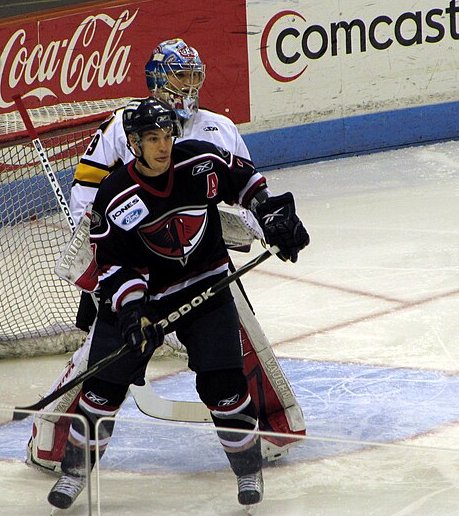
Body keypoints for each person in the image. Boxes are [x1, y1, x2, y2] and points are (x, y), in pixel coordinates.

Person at [28, 38, 306, 473]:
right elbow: (87, 196)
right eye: (181, 74)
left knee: (240, 333)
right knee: (103, 357)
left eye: (196, 74)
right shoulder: (124, 126)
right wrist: (104, 261)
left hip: (199, 261)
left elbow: (247, 191)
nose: (190, 83)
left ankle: (268, 431)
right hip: (134, 267)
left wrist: (268, 224)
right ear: (158, 77)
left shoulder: (218, 129)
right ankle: (53, 440)